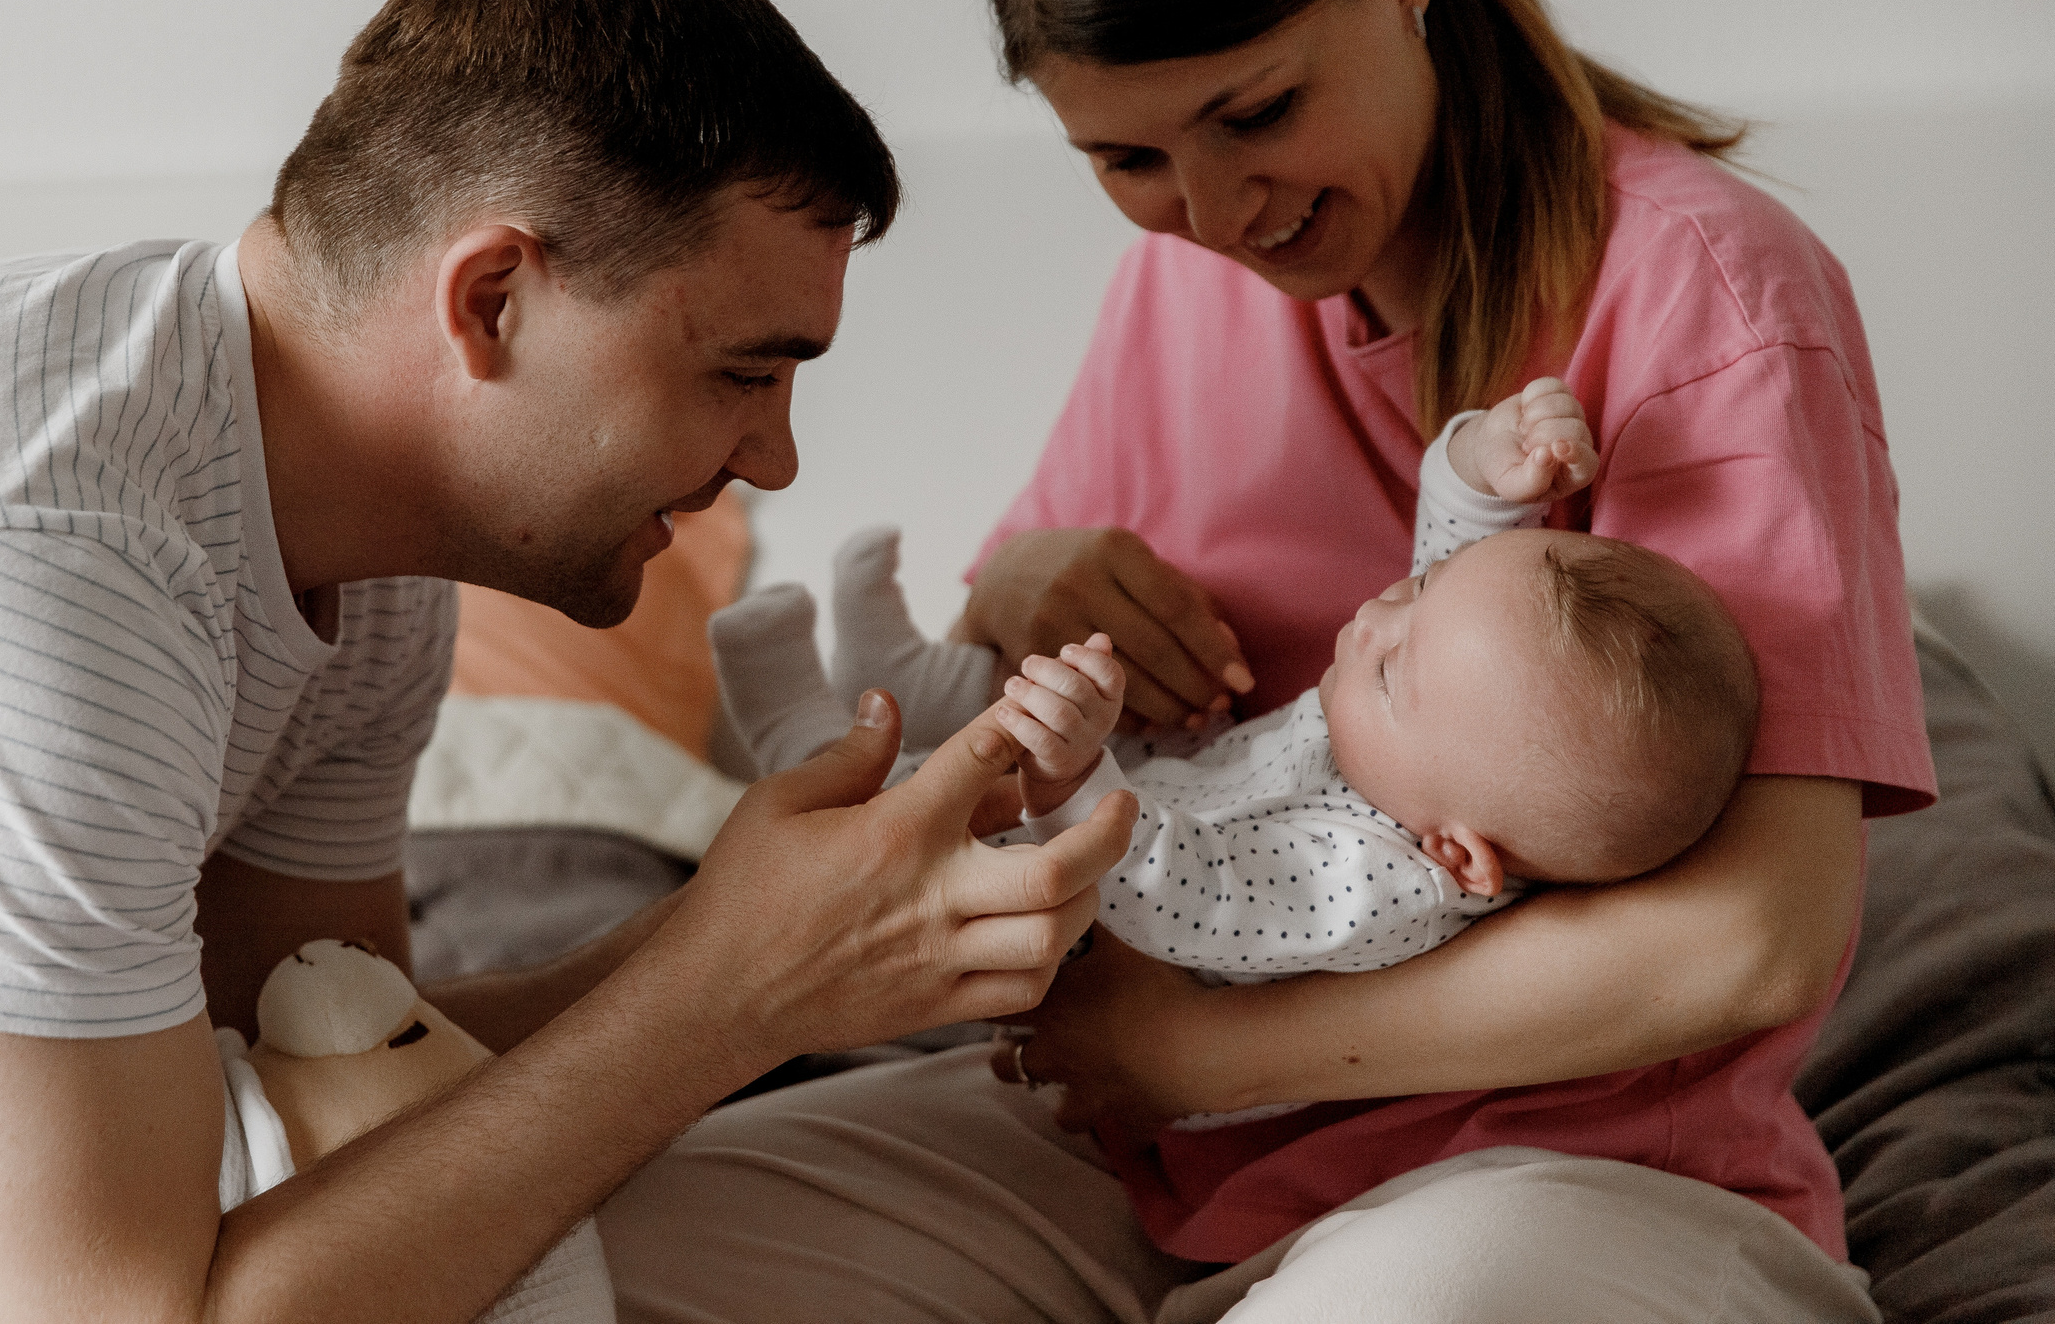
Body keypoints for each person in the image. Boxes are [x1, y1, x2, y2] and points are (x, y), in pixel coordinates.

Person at [0, 0, 1138, 1324]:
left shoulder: (352, 545)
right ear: (492, 298)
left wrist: (745, 929)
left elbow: (319, 1075)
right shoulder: (37, 574)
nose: (774, 457)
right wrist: (733, 989)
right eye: (740, 371)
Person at [598, 0, 1929, 1322]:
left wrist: (1198, 1048)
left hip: (1558, 1172)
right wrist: (1021, 583)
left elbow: (1753, 939)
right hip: (1154, 1158)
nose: (1219, 214)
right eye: (1129, 155)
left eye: (1257, 111)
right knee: (581, 1248)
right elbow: (994, 735)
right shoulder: (1184, 289)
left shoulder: (1707, 295)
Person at [712, 376, 1760, 1130]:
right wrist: (1491, 468)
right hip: (1174, 783)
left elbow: (1187, 895)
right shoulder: (1450, 743)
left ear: (1457, 854)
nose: (1375, 613)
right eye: (1417, 594)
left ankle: (810, 747)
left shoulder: (1376, 885)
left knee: (951, 826)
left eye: (1392, 666)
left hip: (1097, 927)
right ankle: (899, 672)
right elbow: (1459, 567)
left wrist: (1076, 777)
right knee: (1067, 695)